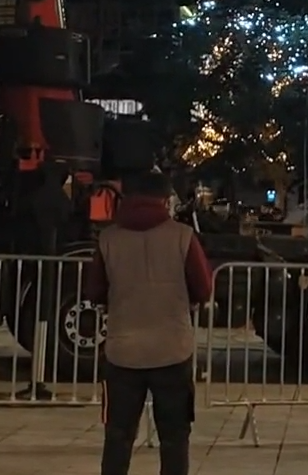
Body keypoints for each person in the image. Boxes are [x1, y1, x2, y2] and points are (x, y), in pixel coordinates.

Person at [86, 171, 214, 475]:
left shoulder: (108, 239)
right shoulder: (182, 236)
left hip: (122, 352)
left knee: (118, 436)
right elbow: (204, 288)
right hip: (173, 350)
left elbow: (93, 291)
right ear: (164, 199)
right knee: (174, 438)